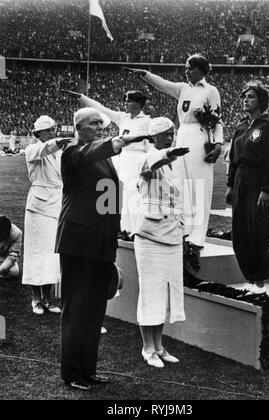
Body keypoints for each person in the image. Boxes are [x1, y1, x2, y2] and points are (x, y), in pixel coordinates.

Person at [55, 107, 148, 391]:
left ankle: (88, 370)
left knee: (95, 310)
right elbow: (90, 152)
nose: (100, 127)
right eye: (94, 123)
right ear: (78, 128)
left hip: (100, 242)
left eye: (102, 123)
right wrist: (120, 142)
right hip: (78, 243)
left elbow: (108, 200)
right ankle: (72, 373)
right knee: (77, 309)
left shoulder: (103, 157)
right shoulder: (73, 153)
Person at [126, 54, 224, 247]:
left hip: (200, 136)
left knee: (199, 185)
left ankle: (198, 235)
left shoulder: (211, 91)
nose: (186, 71)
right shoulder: (182, 88)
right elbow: (163, 84)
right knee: (183, 184)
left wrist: (219, 145)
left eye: (190, 68)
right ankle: (185, 229)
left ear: (200, 70)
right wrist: (144, 74)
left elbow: (217, 120)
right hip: (182, 135)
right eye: (186, 68)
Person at [134, 117, 188, 368]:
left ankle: (159, 345)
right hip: (150, 237)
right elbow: (148, 165)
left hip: (172, 235)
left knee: (166, 293)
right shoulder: (147, 158)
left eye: (172, 133)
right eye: (165, 134)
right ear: (153, 138)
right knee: (151, 292)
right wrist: (167, 152)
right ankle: (147, 348)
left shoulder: (173, 164)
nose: (170, 137)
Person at [63, 89, 152, 235]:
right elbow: (101, 108)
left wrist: (147, 166)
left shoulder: (147, 121)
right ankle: (123, 229)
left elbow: (150, 146)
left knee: (135, 195)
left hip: (138, 161)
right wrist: (82, 97)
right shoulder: (123, 117)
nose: (125, 103)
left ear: (138, 104)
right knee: (120, 195)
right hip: (122, 158)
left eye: (129, 101)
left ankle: (137, 230)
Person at [225, 82, 269, 294]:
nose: (245, 100)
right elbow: (233, 159)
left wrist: (267, 190)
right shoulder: (240, 127)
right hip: (240, 179)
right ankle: (249, 275)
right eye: (244, 97)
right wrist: (230, 185)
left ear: (261, 102)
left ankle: (259, 278)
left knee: (257, 230)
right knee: (239, 233)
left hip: (257, 181)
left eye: (251, 97)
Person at [22, 116, 71, 315]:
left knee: (52, 254)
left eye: (53, 129)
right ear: (38, 134)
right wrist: (57, 143)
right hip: (38, 207)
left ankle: (48, 299)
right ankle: (36, 299)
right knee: (36, 253)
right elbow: (45, 148)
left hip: (57, 205)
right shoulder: (32, 149)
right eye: (48, 130)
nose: (52, 132)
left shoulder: (59, 153)